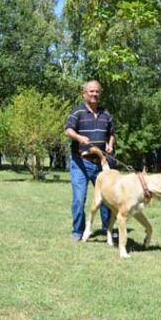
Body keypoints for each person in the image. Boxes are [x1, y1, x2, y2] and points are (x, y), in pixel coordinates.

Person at [65, 80, 114, 241]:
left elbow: (111, 133)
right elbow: (68, 130)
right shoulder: (77, 112)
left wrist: (110, 145)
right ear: (84, 93)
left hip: (101, 163)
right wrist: (79, 138)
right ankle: (77, 231)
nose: (94, 94)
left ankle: (107, 228)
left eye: (97, 91)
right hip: (80, 163)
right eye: (91, 91)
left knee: (106, 198)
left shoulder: (106, 113)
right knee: (79, 199)